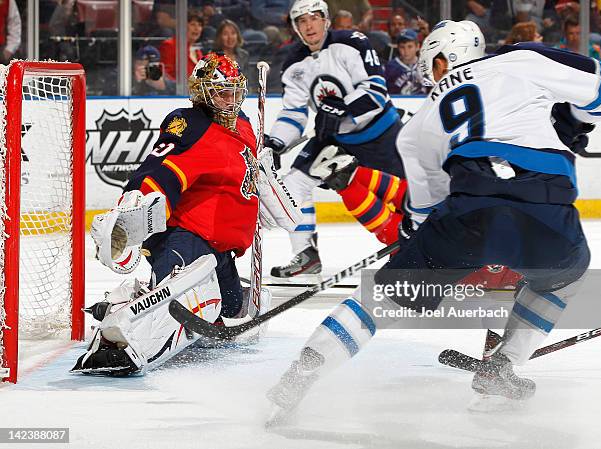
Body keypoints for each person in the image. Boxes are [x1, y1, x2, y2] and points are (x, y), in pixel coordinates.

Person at [267, 19, 601, 419]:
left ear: (442, 60)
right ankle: (504, 365)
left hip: (469, 214)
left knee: (378, 301)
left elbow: (425, 211)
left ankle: (300, 374)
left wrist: (416, 248)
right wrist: (578, 120)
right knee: (566, 277)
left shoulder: (419, 124)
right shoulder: (519, 61)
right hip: (547, 209)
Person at [72, 52, 302, 375]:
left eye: (235, 91)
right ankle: (116, 341)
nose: (230, 99)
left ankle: (130, 299)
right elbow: (161, 169)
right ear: (202, 93)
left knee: (232, 312)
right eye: (222, 92)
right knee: (176, 306)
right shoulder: (190, 125)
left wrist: (266, 176)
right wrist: (133, 208)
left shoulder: (247, 127)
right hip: (184, 239)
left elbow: (261, 199)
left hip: (222, 251)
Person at [264, 0, 408, 278]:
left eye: (314, 18)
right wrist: (276, 142)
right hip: (336, 139)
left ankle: (422, 254)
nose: (309, 25)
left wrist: (342, 107)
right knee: (293, 185)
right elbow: (294, 111)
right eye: (302, 21)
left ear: (326, 20)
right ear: (295, 28)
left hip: (381, 135)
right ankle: (306, 254)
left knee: (407, 198)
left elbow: (377, 90)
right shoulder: (294, 62)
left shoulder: (353, 43)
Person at [159, 11, 205, 81]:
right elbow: (167, 76)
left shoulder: (198, 52)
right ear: (183, 27)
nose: (197, 28)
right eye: (193, 24)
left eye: (200, 25)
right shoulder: (170, 45)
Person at [383, 28, 430, 95]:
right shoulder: (389, 68)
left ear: (417, 46)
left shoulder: (427, 65)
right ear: (398, 48)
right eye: (402, 47)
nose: (406, 51)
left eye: (410, 46)